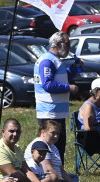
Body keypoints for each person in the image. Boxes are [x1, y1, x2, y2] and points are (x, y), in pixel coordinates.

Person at [34, 31, 80, 160]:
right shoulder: (47, 61)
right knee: (52, 149)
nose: (70, 47)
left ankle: (59, 175)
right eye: (68, 44)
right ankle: (52, 176)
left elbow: (63, 78)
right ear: (59, 44)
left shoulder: (56, 60)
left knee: (59, 149)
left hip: (57, 112)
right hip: (49, 112)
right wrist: (69, 88)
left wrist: (75, 67)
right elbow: (48, 85)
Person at [0, 118, 45, 182]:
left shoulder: (17, 148)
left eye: (17, 132)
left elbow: (26, 169)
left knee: (48, 178)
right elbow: (12, 173)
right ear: (3, 132)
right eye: (11, 131)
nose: (15, 134)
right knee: (17, 175)